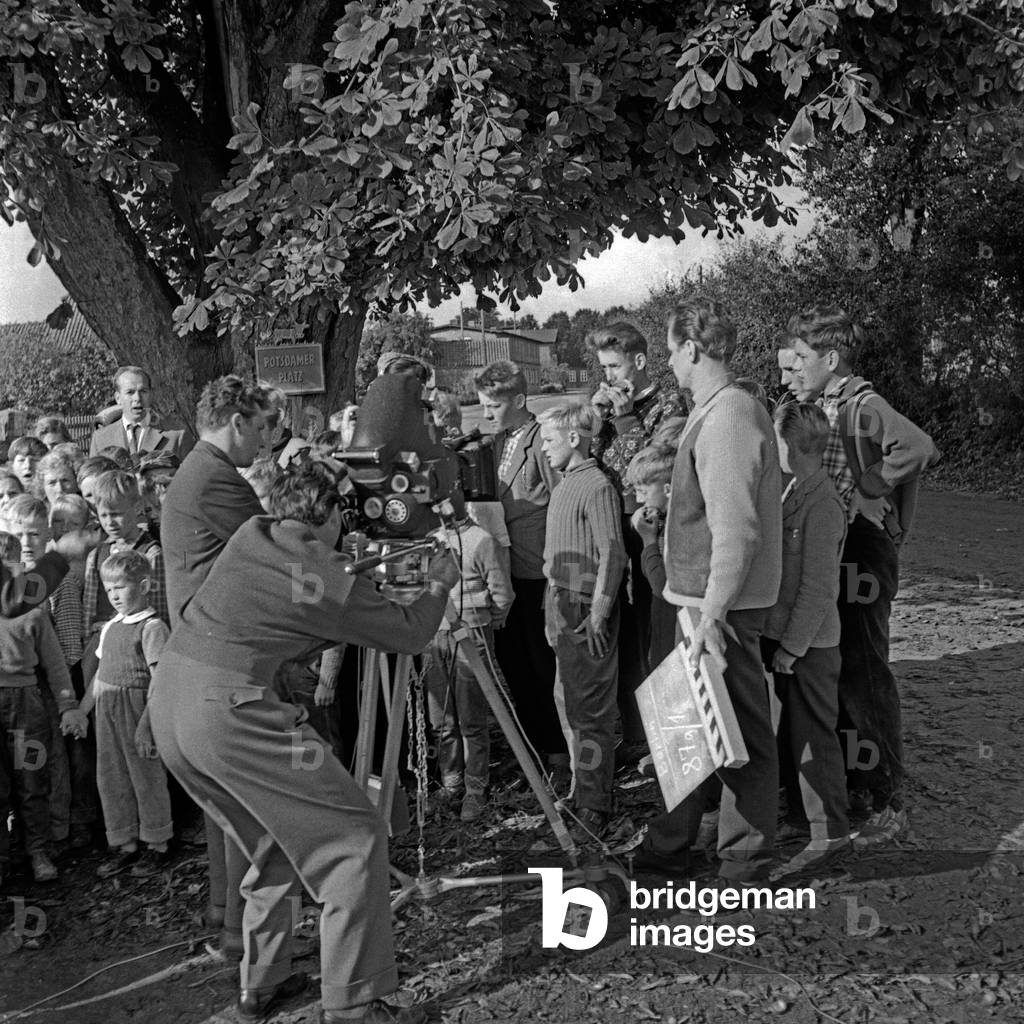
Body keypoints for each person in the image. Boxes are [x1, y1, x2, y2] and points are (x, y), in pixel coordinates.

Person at [149, 460, 457, 1024]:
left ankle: (261, 981)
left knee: (274, 838)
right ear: (334, 515)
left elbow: (293, 593)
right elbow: (410, 632)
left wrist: (353, 567)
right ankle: (355, 1004)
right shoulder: (326, 574)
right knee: (353, 837)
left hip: (171, 704)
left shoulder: (253, 537)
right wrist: (438, 582)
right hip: (228, 711)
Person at [635, 297, 782, 884]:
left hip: (720, 610)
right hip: (696, 605)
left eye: (672, 351)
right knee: (684, 733)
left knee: (740, 734)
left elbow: (737, 530)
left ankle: (746, 859)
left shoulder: (730, 417)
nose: (670, 363)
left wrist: (714, 615)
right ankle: (669, 849)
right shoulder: (716, 410)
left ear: (692, 349)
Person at [785, 305, 940, 839]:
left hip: (862, 550)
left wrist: (867, 488)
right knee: (839, 668)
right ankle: (856, 784)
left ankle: (887, 801)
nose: (794, 366)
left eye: (802, 357)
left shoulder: (862, 405)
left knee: (865, 672)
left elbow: (918, 447)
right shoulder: (822, 404)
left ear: (831, 359)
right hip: (836, 545)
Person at [160, 375, 270, 955]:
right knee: (250, 803)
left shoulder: (198, 470)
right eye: (260, 428)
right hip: (220, 660)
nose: (264, 441)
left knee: (225, 802)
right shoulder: (215, 477)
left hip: (199, 655)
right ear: (236, 422)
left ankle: (226, 913)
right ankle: (246, 939)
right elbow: (278, 546)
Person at [587, 323, 685, 764]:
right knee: (625, 635)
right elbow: (592, 465)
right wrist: (596, 423)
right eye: (603, 368)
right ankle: (635, 732)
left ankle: (663, 736)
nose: (608, 376)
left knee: (653, 635)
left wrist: (626, 420)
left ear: (639, 361)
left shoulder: (668, 405)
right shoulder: (608, 408)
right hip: (613, 533)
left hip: (649, 532)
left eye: (614, 366)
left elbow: (648, 470)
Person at [762, 403, 851, 874]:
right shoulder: (794, 490)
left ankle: (830, 831)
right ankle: (804, 819)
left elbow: (818, 589)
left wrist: (792, 648)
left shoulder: (823, 504)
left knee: (815, 738)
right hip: (788, 640)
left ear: (792, 446)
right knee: (793, 735)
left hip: (809, 646)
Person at [474, 361, 568, 787]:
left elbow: (563, 503)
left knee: (544, 666)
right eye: (483, 405)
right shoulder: (495, 443)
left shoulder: (540, 441)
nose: (486, 414)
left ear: (519, 400)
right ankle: (533, 747)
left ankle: (560, 754)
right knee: (515, 666)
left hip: (538, 573)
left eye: (493, 406)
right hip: (505, 572)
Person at [539, 402, 627, 841]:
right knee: (567, 702)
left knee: (590, 711)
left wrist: (599, 611)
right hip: (560, 603)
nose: (543, 448)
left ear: (574, 438)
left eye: (549, 440)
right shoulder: (565, 484)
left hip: (584, 608)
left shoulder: (596, 486)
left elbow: (613, 551)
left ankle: (595, 803)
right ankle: (580, 789)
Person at [69, 549, 173, 878]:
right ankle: (125, 843)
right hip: (107, 712)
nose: (114, 595)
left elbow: (161, 683)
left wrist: (147, 726)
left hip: (138, 711)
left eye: (121, 587)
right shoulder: (110, 627)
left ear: (144, 586)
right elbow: (100, 676)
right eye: (109, 589)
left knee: (146, 777)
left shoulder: (153, 627)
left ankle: (157, 844)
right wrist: (82, 711)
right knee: (111, 777)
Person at [0, 532, 82, 886]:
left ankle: (37, 850)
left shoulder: (31, 611)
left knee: (31, 778)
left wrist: (68, 704)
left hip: (26, 704)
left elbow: (55, 662)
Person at [423, 511, 514, 822]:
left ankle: (476, 788)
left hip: (472, 633)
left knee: (471, 717)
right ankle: (451, 782)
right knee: (441, 717)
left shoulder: (483, 541)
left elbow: (502, 593)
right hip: (435, 634)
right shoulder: (431, 539)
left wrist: (488, 620)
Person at [625, 445, 677, 669]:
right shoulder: (663, 520)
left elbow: (659, 584)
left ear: (667, 489)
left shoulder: (676, 527)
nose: (639, 499)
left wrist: (648, 541)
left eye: (644, 492)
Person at [89, 366, 190, 459]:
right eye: (130, 392)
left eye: (143, 391)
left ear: (151, 394)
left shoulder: (175, 435)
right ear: (118, 398)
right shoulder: (100, 439)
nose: (137, 398)